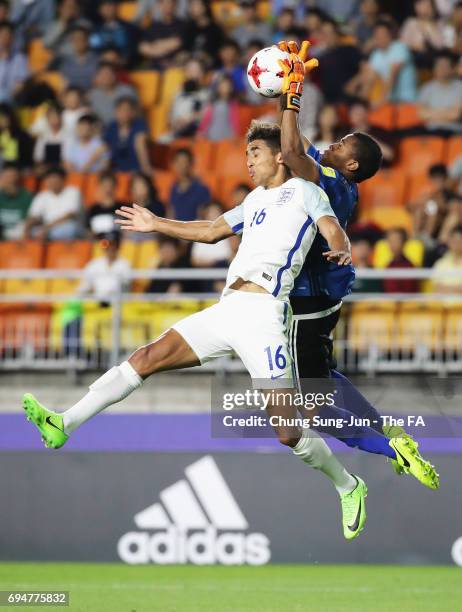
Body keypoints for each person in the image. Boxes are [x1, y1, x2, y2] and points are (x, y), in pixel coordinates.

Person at [23, 121, 369, 542]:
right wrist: (155, 223)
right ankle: (65, 422)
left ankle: (347, 484)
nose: (248, 161)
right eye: (246, 154)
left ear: (279, 156)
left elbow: (332, 227)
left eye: (255, 152)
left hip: (264, 316)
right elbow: (208, 232)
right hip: (227, 309)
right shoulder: (253, 201)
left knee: (287, 431)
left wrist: (343, 246)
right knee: (146, 357)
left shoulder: (308, 192)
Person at [277, 40, 437, 488]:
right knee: (324, 374)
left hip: (305, 302)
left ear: (350, 162)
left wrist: (290, 98)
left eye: (342, 142)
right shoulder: (339, 182)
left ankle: (391, 451)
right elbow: (297, 142)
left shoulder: (330, 180)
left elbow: (291, 154)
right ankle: (389, 430)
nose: (333, 142)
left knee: (310, 407)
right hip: (325, 299)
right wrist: (286, 88)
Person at [23, 166, 82, 240]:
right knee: (22, 229)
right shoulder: (42, 196)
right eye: (49, 180)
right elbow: (34, 216)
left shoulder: (73, 191)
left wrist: (47, 228)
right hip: (46, 229)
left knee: (69, 229)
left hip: (67, 227)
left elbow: (70, 215)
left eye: (55, 180)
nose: (52, 182)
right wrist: (27, 228)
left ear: (63, 180)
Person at [367, 19, 418, 103]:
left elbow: (393, 75)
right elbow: (369, 79)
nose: (380, 38)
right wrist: (361, 102)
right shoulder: (376, 54)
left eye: (383, 34)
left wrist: (380, 101)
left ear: (390, 35)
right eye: (377, 35)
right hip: (390, 101)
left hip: (407, 100)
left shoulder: (400, 47)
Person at [77, 231, 131, 302]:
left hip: (118, 304)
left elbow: (123, 286)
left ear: (117, 246)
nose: (108, 248)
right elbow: (84, 286)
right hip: (98, 305)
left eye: (112, 244)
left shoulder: (125, 265)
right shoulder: (94, 264)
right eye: (104, 244)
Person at [417, 51, 462, 135]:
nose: (442, 69)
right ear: (434, 69)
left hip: (454, 131)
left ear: (451, 69)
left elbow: (455, 115)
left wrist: (431, 112)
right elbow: (421, 114)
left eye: (445, 66)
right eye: (439, 66)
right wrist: (447, 110)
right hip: (430, 131)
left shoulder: (460, 87)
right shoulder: (426, 88)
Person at [104, 97, 152, 174]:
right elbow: (105, 148)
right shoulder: (112, 126)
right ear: (116, 112)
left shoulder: (139, 124)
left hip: (135, 170)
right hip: (115, 170)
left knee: (140, 141)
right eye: (121, 110)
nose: (124, 113)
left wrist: (146, 169)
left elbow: (140, 142)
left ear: (133, 112)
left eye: (127, 110)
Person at [138, 0, 185, 70]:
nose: (167, 6)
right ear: (159, 5)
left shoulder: (182, 25)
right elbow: (142, 47)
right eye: (163, 3)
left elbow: (177, 43)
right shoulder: (153, 26)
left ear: (175, 5)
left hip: (175, 65)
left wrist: (156, 44)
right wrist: (157, 51)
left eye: (169, 3)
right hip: (155, 65)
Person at [89, 0, 138, 66]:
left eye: (110, 5)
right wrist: (103, 57)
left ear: (116, 7)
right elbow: (94, 48)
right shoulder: (95, 30)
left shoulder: (129, 28)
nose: (108, 8)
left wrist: (122, 59)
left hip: (124, 66)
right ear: (100, 10)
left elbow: (132, 48)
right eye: (104, 6)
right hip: (101, 66)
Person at [169, 148, 210, 222]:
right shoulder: (173, 188)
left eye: (184, 162)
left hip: (193, 230)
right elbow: (171, 214)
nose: (181, 165)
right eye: (178, 162)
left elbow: (201, 217)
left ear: (190, 164)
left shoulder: (201, 188)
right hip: (175, 230)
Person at [400, 0, 445, 69]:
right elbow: (402, 44)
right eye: (421, 5)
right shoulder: (411, 22)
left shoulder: (438, 24)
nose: (425, 8)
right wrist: (416, 47)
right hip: (414, 59)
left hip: (433, 60)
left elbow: (440, 45)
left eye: (428, 6)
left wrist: (429, 26)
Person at [197, 75, 240, 141]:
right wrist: (201, 131)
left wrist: (235, 134)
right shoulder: (212, 103)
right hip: (211, 135)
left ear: (231, 88)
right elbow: (206, 118)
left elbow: (234, 120)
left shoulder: (233, 104)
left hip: (227, 137)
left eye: (227, 86)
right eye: (222, 85)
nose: (225, 88)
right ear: (218, 87)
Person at [55, 26, 99, 90]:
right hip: (72, 95)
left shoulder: (96, 60)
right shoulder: (65, 62)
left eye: (80, 38)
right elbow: (64, 83)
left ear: (87, 41)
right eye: (74, 39)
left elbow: (97, 83)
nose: (77, 42)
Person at [0, 162, 33, 239]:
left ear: (18, 177)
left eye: (13, 176)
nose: (10, 179)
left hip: (18, 230)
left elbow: (30, 217)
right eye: (7, 176)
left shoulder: (27, 195)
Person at [86, 171, 124, 237]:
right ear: (100, 187)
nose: (108, 189)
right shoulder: (93, 210)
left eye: (110, 186)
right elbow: (88, 231)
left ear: (115, 187)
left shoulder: (123, 208)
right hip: (97, 244)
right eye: (105, 186)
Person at [383, 228, 420, 293]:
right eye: (390, 241)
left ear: (403, 242)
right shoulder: (388, 266)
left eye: (396, 240)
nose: (392, 244)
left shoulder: (409, 267)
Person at [0, 20, 29, 103]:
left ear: (12, 38)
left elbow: (20, 85)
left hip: (8, 102)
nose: (5, 38)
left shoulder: (20, 59)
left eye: (8, 35)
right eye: (2, 35)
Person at [432, 224, 462, 292]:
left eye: (459, 241)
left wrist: (447, 288)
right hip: (441, 301)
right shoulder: (440, 263)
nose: (456, 244)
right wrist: (456, 289)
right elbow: (437, 287)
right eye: (454, 240)